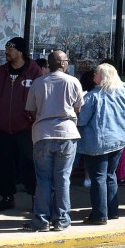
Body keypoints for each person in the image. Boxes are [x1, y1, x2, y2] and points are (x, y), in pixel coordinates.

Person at [77, 62, 125, 225]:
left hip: (98, 143)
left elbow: (81, 120)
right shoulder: (124, 89)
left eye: (96, 73)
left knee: (98, 178)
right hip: (119, 141)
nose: (93, 75)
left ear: (103, 76)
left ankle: (100, 215)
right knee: (110, 175)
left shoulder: (92, 96)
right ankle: (112, 211)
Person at [24, 50, 83, 232]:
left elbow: (30, 110)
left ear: (49, 64)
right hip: (67, 134)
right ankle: (62, 220)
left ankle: (41, 220)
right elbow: (78, 108)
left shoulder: (38, 82)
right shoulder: (73, 81)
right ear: (63, 63)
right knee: (63, 178)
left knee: (43, 179)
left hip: (42, 134)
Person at [0, 37, 42, 212]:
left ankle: (36, 199)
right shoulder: (0, 72)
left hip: (26, 128)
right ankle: (7, 197)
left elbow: (40, 98)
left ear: (20, 51)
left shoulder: (34, 71)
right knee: (3, 164)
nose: (6, 52)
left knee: (30, 164)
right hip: (3, 128)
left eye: (10, 49)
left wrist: (31, 119)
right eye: (6, 49)